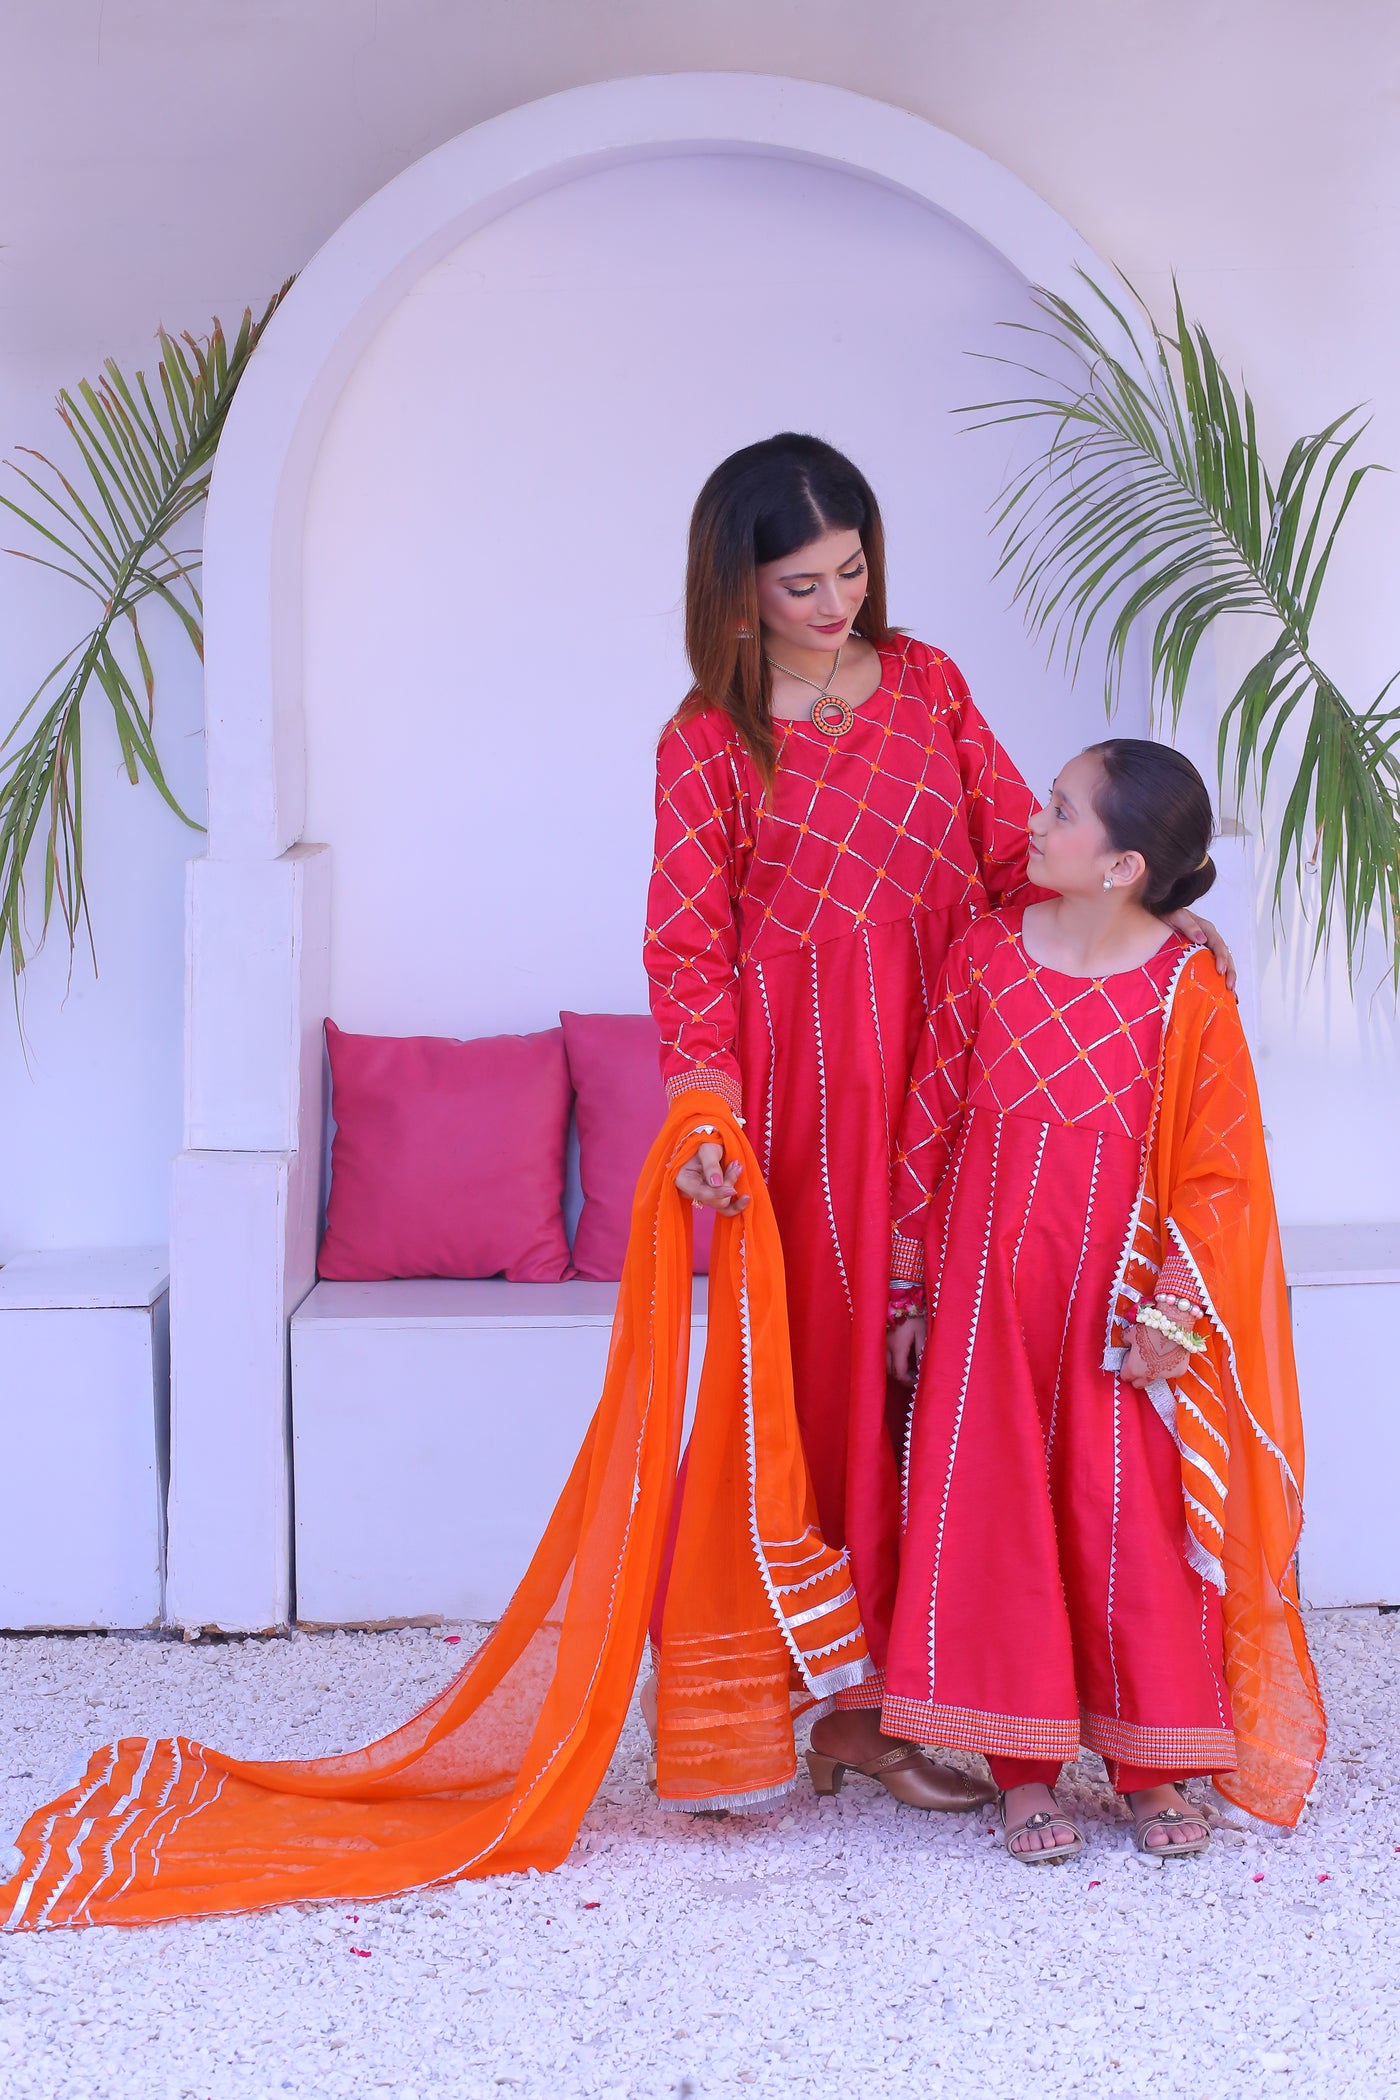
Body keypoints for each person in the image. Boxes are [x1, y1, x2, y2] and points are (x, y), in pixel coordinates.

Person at [644, 435, 1234, 1810]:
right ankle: (857, 1713)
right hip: (811, 1110)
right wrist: (709, 1111)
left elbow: (1011, 852)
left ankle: (999, 1685)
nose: (837, 600)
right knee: (850, 1387)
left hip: (980, 1065)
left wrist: (1138, 923)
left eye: (852, 568)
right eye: (801, 583)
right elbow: (686, 946)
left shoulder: (925, 682)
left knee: (969, 1374)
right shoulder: (707, 741)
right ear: (735, 592)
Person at [878, 740, 1325, 1861]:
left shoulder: (1185, 989)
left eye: (1059, 808)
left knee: (1127, 1519)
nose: (1032, 818)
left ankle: (1147, 1766)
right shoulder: (984, 954)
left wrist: (1173, 1314)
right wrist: (908, 1289)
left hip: (1115, 1313)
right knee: (994, 1518)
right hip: (987, 1300)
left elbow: (1221, 1172)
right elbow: (924, 1128)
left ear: (1122, 865)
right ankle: (1020, 1767)